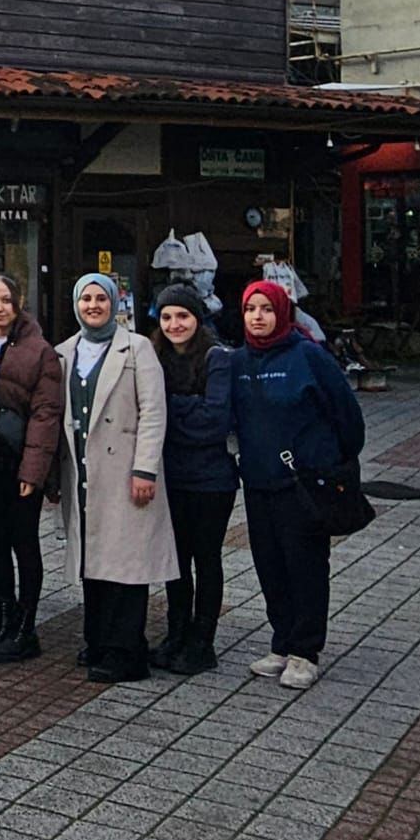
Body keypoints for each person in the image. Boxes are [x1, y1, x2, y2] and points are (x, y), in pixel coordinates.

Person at [232, 278, 364, 691]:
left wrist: (331, 464)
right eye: (251, 309)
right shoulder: (238, 362)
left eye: (267, 309)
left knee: (304, 566)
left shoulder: (308, 356)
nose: (258, 317)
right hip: (257, 481)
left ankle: (306, 650)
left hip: (302, 484)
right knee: (269, 565)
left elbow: (348, 416)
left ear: (283, 313)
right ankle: (281, 641)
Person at [53, 273, 176, 684]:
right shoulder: (64, 352)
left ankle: (127, 651)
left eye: (100, 299)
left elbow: (153, 413)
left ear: (114, 303)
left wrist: (145, 469)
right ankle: (98, 640)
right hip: (84, 473)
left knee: (126, 563)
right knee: (94, 561)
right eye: (85, 299)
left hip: (124, 471)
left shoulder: (137, 348)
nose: (92, 306)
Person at [0, 272, 62, 664]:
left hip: (20, 460)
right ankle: (3, 617)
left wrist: (33, 472)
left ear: (18, 302)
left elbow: (46, 414)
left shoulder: (40, 351)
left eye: (6, 300)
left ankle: (26, 625)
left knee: (24, 542)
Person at [149, 283, 238, 675]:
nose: (174, 324)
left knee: (206, 557)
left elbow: (215, 420)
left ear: (197, 319)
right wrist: (188, 408)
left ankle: (203, 640)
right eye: (167, 317)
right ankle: (176, 632)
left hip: (211, 480)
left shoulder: (218, 359)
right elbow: (150, 414)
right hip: (172, 476)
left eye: (182, 316)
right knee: (175, 560)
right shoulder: (155, 356)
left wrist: (173, 413)